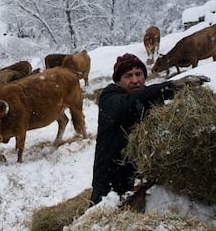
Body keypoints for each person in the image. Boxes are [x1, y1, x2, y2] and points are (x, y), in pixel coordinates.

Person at [89, 53, 209, 207]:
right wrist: (170, 87)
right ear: (118, 80)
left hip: (139, 184)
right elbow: (128, 105)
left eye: (139, 74)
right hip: (109, 187)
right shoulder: (110, 97)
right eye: (128, 76)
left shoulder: (150, 100)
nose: (135, 80)